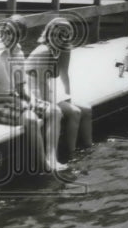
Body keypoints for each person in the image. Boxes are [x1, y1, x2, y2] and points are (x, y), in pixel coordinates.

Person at [0, 15, 62, 174]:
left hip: (12, 98)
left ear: (21, 36)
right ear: (1, 29)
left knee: (54, 111)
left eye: (15, 34)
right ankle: (43, 166)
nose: (9, 36)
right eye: (7, 31)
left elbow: (21, 84)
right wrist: (15, 100)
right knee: (31, 119)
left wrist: (31, 98)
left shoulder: (17, 51)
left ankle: (52, 158)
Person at [25, 17, 93, 161]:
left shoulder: (64, 49)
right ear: (50, 32)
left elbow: (64, 75)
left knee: (86, 109)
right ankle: (71, 154)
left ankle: (88, 148)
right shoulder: (43, 51)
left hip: (46, 88)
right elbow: (38, 83)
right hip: (33, 90)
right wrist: (49, 104)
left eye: (66, 33)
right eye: (59, 33)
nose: (62, 37)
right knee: (75, 112)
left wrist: (68, 97)